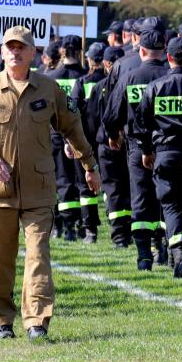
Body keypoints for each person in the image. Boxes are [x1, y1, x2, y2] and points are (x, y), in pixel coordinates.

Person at [0, 26, 99, 341]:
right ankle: (2, 319)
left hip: (39, 189)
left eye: (21, 47)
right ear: (3, 52)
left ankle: (36, 321)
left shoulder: (48, 89)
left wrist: (90, 165)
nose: (15, 52)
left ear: (33, 53)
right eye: (10, 47)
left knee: (38, 255)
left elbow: (72, 127)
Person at [134, 37, 182, 278]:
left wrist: (146, 151)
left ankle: (180, 254)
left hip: (165, 154)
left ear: (168, 58)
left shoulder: (155, 87)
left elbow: (141, 124)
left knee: (171, 205)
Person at [103, 17, 170, 270]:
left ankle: (144, 256)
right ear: (165, 50)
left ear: (141, 50)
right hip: (167, 145)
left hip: (136, 146)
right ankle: (163, 249)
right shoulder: (170, 75)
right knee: (166, 198)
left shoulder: (128, 75)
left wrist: (113, 135)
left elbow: (111, 113)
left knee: (141, 198)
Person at [45, 35, 87, 240]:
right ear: (80, 51)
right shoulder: (86, 76)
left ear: (61, 51)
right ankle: (82, 223)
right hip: (81, 135)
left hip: (56, 134)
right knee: (82, 180)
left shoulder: (51, 77)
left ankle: (65, 226)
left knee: (62, 180)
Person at [90, 45, 132, 247]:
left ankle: (119, 236)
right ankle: (129, 231)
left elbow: (91, 119)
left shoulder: (100, 87)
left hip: (106, 145)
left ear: (106, 64)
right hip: (127, 143)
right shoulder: (129, 83)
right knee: (129, 187)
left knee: (113, 190)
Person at [70, 43, 107, 243]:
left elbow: (72, 112)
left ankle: (90, 230)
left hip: (85, 141)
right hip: (109, 140)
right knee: (113, 184)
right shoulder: (112, 81)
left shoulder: (82, 82)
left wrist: (70, 140)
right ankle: (120, 231)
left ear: (89, 59)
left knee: (86, 187)